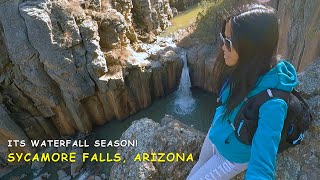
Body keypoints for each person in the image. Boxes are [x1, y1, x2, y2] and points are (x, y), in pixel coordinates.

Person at [186, 4, 298, 180]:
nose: (222, 46)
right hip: (218, 132)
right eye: (223, 37)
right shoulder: (244, 68)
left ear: (251, 48)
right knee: (199, 166)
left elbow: (262, 164)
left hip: (232, 156)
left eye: (229, 42)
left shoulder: (273, 102)